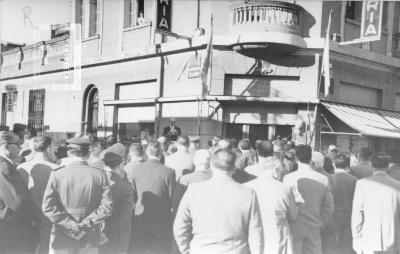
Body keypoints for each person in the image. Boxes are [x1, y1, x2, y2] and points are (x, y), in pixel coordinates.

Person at [173, 149, 264, 254]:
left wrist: (187, 250)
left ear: (211, 165)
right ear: (234, 168)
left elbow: (179, 227)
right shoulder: (248, 193)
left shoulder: (193, 190)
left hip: (201, 249)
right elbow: (256, 235)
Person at [42, 137, 113, 254]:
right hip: (89, 237)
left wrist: (71, 225)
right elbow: (106, 208)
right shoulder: (100, 175)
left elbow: (48, 207)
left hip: (62, 235)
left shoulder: (57, 174)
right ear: (89, 153)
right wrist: (84, 225)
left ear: (69, 153)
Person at [283, 145, 334, 254]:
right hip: (314, 225)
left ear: (296, 158)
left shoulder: (288, 178)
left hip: (294, 226)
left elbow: (285, 203)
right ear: (310, 158)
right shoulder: (323, 179)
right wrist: (322, 222)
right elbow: (329, 207)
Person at [128, 141, 176, 254]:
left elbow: (133, 196)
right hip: (162, 218)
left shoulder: (136, 170)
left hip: (140, 217)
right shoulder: (169, 172)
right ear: (161, 154)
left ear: (146, 152)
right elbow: (172, 197)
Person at [245, 156, 297, 254]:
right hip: (278, 236)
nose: (283, 173)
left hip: (253, 237)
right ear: (276, 170)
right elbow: (293, 216)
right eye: (282, 170)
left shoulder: (246, 186)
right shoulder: (284, 188)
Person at [17, 136, 60, 254]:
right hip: (48, 217)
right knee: (45, 247)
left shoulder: (21, 167)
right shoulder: (56, 169)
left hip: (27, 216)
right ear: (49, 148)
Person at [0, 131, 41, 254]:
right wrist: (35, 218)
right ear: (5, 145)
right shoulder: (4, 167)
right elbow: (18, 201)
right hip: (12, 227)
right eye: (17, 144)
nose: (20, 147)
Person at [352, 153, 400, 254]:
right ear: (388, 166)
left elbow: (357, 215)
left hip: (369, 237)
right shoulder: (397, 185)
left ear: (371, 165)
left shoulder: (362, 184)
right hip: (392, 239)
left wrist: (356, 239)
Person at [100, 145, 136, 254]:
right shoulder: (125, 186)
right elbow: (126, 219)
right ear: (120, 165)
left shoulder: (96, 181)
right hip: (116, 236)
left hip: (96, 234)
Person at [332, 153, 357, 254]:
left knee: (334, 243)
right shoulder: (354, 179)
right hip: (349, 215)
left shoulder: (331, 178)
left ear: (334, 164)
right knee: (346, 244)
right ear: (347, 165)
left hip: (334, 215)